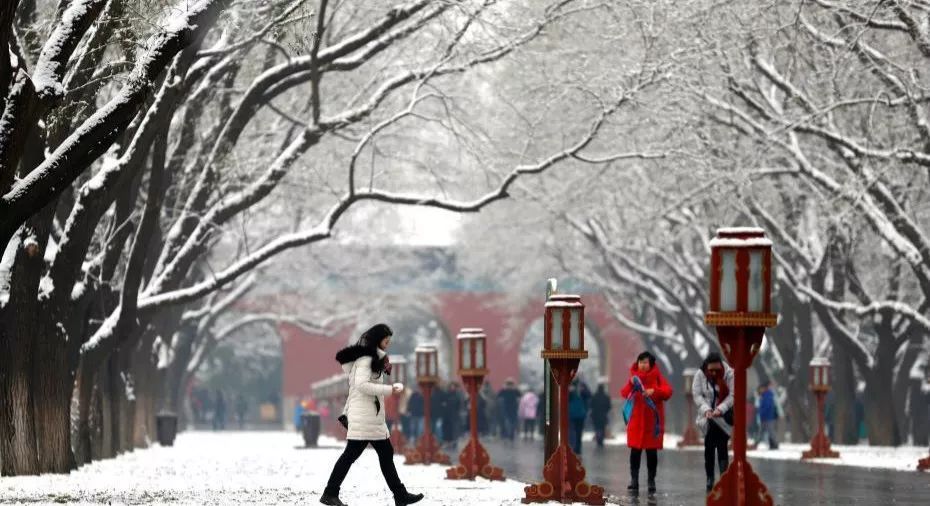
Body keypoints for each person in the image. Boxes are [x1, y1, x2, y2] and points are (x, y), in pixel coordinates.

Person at [320, 324, 424, 506]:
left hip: (369, 417)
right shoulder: (367, 359)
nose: (388, 344)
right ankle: (330, 493)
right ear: (378, 339)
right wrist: (390, 389)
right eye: (386, 340)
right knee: (356, 455)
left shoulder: (370, 358)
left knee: (378, 454)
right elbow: (362, 385)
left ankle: (399, 495)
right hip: (366, 417)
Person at [620, 351, 672, 494]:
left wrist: (654, 391)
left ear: (651, 364)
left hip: (652, 421)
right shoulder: (633, 378)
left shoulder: (657, 376)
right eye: (640, 362)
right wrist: (631, 385)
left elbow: (668, 391)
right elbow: (624, 393)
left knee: (651, 453)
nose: (642, 365)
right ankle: (634, 480)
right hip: (636, 421)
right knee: (635, 452)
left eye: (645, 362)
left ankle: (651, 481)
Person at [693, 352, 734, 492]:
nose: (714, 373)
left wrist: (720, 409)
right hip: (708, 417)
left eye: (717, 370)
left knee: (722, 446)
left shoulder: (729, 374)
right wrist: (706, 409)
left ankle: (724, 478)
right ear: (706, 367)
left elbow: (733, 395)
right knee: (709, 447)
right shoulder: (700, 375)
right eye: (711, 370)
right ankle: (709, 478)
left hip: (723, 416)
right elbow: (697, 395)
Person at [568, 379, 590, 455]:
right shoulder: (568, 386)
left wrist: (583, 390)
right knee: (572, 432)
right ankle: (573, 448)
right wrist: (569, 391)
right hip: (572, 414)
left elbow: (589, 395)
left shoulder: (583, 386)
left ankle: (578, 448)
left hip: (580, 414)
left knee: (579, 432)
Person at [440, 382, 463, 450]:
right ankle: (448, 443)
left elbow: (460, 405)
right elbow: (443, 403)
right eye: (451, 386)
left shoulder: (458, 395)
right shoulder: (446, 394)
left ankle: (454, 444)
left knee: (455, 430)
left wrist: (459, 412)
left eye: (453, 386)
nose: (452, 387)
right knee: (447, 430)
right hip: (447, 415)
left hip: (455, 415)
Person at [756, 381, 779, 449]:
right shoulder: (764, 395)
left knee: (770, 432)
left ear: (764, 388)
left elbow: (767, 406)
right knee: (763, 431)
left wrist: (761, 412)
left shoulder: (767, 395)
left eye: (761, 388)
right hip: (765, 417)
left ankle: (775, 444)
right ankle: (757, 443)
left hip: (768, 417)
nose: (760, 390)